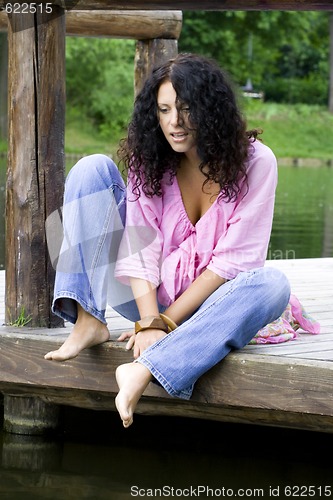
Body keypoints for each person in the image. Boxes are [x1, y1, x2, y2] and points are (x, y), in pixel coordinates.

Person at [45, 53, 291, 428]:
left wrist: (162, 325)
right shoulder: (152, 157)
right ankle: (88, 319)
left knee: (273, 285)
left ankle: (144, 371)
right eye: (164, 110)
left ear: (211, 109)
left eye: (187, 108)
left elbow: (231, 264)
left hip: (209, 307)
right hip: (144, 295)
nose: (174, 123)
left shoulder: (258, 162)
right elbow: (139, 251)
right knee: (91, 168)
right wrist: (147, 319)